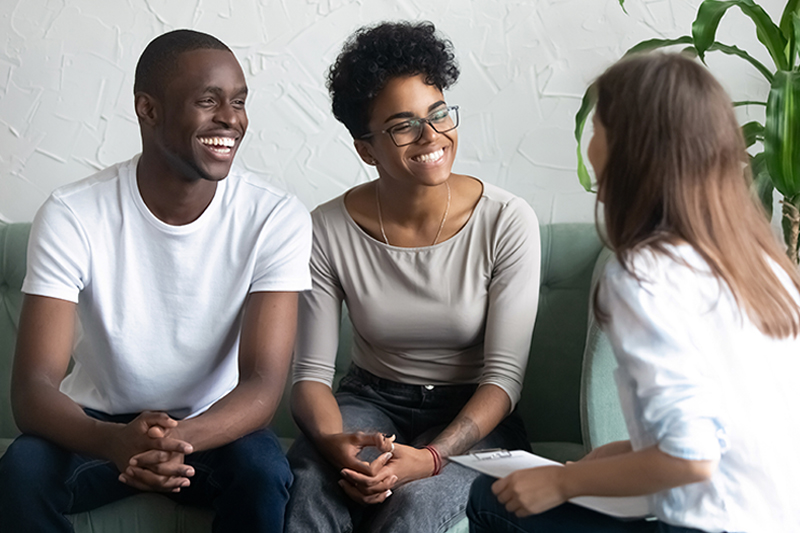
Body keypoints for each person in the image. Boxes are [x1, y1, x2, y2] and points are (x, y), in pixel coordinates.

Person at [467, 52, 800, 533]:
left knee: (489, 499)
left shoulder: (647, 273)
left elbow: (690, 458)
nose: (590, 142)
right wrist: (611, 459)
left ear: (629, 146)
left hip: (713, 523)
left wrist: (562, 484)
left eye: (597, 126)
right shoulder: (760, 262)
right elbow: (730, 430)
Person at [0, 29, 312, 532]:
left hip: (217, 425)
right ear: (148, 109)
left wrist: (172, 441)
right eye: (207, 101)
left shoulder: (275, 217)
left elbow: (261, 384)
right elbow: (33, 389)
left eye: (238, 101)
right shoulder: (73, 214)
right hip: (98, 424)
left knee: (263, 474)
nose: (230, 119)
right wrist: (114, 442)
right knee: (21, 472)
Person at [283, 20, 541, 533]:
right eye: (403, 125)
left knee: (414, 507)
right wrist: (335, 445)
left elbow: (503, 379)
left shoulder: (506, 220)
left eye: (438, 113)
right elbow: (310, 376)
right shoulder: (327, 227)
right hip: (369, 399)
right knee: (312, 481)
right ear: (366, 148)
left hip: (473, 414)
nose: (431, 136)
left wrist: (432, 458)